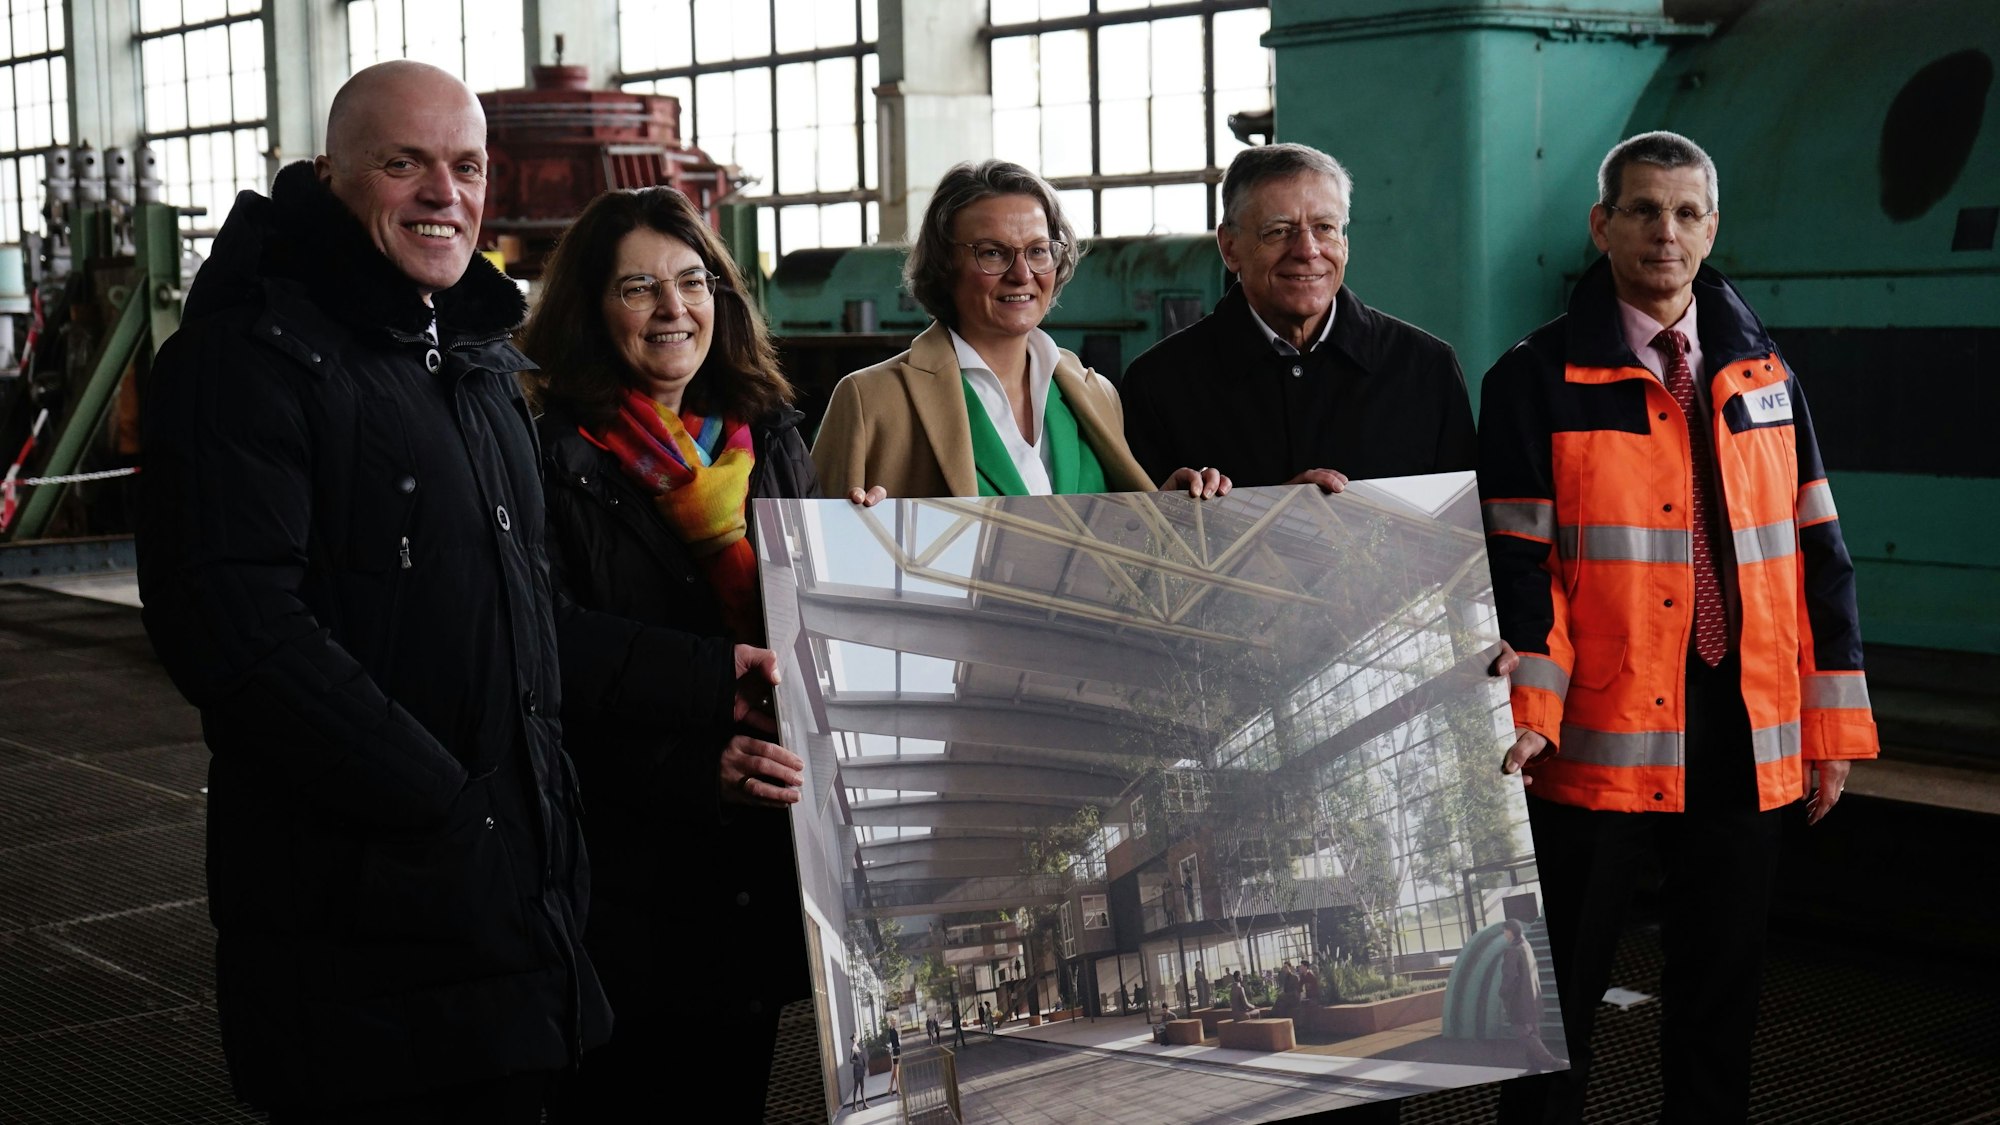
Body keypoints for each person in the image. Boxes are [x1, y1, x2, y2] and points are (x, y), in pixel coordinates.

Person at [136, 61, 608, 1122]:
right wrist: (453, 813)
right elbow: (236, 633)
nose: (445, 192)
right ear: (329, 176)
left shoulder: (473, 362)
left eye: (467, 166)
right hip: (359, 932)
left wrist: (705, 680)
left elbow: (524, 616)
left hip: (503, 921)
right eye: (404, 164)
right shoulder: (246, 360)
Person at [1480, 131, 1877, 1124]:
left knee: (1718, 1002)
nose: (1665, 232)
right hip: (1590, 736)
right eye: (1643, 210)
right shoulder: (1534, 378)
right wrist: (1526, 713)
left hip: (1741, 733)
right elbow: (1514, 567)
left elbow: (1815, 554)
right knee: (1549, 1009)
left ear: (1711, 227)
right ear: (1599, 224)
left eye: (1686, 213)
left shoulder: (1764, 375)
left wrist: (1826, 730)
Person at [518, 186, 814, 1122]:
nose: (673, 309)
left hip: (751, 865)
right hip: (623, 871)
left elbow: (808, 624)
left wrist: (862, 543)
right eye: (639, 287)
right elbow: (535, 663)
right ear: (590, 308)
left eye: (693, 281)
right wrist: (692, 768)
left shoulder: (766, 437)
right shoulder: (547, 454)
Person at [812, 158, 1226, 505]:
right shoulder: (871, 401)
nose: (1022, 274)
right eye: (992, 253)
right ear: (944, 265)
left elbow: (1112, 540)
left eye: (1037, 250)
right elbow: (815, 561)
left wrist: (1169, 509)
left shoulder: (1095, 393)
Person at [1120, 142, 1476, 492]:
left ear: (1345, 242)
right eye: (1278, 231)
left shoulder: (1427, 370)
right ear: (1230, 247)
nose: (1307, 250)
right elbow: (1137, 544)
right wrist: (1275, 517)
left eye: (1324, 227)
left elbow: (1463, 539)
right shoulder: (1157, 385)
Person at [1499, 920, 1564, 1074]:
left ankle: (1553, 1062)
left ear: (1511, 931)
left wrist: (1502, 993)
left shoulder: (1513, 950)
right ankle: (1534, 1067)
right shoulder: (1526, 946)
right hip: (1532, 999)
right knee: (1533, 1033)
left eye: (1505, 931)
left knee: (1527, 1036)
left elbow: (1510, 977)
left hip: (1519, 1002)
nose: (1504, 934)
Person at [848, 1035, 870, 1112]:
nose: (858, 1038)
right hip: (857, 1070)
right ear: (854, 1039)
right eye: (857, 1037)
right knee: (856, 1088)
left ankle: (864, 1104)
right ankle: (854, 1106)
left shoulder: (857, 1047)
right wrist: (857, 1062)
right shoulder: (853, 1048)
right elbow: (850, 1060)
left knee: (862, 1087)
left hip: (861, 1069)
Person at [886, 1023, 903, 1095]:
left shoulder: (892, 1030)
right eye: (894, 1021)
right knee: (896, 1070)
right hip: (894, 1052)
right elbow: (893, 1042)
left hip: (895, 1051)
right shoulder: (891, 1031)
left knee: (895, 1071)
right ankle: (897, 1089)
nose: (895, 1022)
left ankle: (891, 1088)